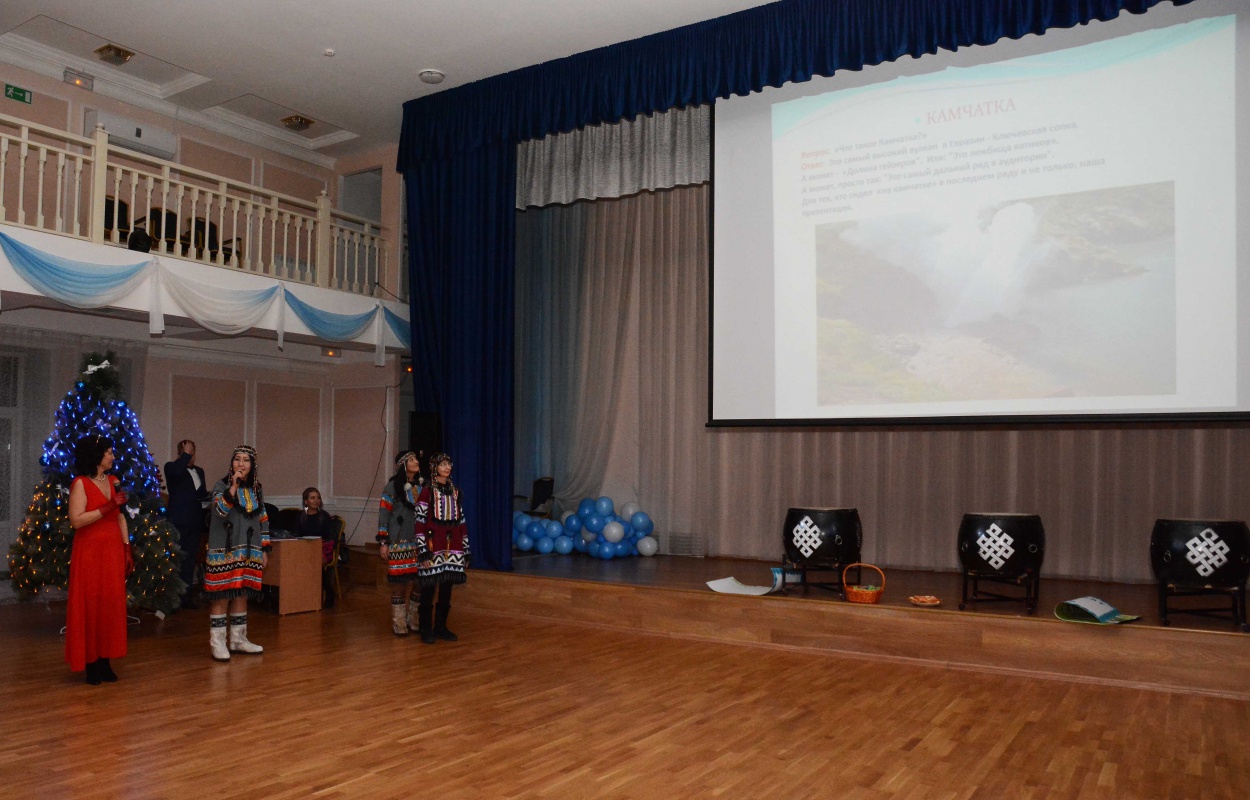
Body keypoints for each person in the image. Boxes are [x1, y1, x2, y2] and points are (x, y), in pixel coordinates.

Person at [65, 434, 133, 685]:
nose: (113, 456)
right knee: (91, 605)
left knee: (109, 605)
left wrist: (126, 548)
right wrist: (107, 506)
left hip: (112, 550)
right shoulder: (80, 484)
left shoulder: (113, 481)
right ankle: (91, 663)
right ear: (96, 456)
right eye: (109, 452)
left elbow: (120, 517)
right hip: (90, 552)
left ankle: (105, 659)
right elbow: (76, 520)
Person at [204, 445, 269, 662]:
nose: (241, 464)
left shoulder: (257, 489)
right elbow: (219, 511)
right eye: (237, 459)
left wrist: (265, 548)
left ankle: (238, 639)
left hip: (249, 550)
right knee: (222, 593)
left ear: (252, 465)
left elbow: (263, 519)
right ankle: (217, 642)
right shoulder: (221, 485)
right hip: (224, 550)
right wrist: (233, 488)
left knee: (242, 592)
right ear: (231, 463)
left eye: (246, 460)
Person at [412, 452, 469, 644]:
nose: (447, 467)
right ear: (434, 468)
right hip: (432, 546)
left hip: (452, 547)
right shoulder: (427, 492)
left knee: (446, 589)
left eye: (449, 464)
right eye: (443, 464)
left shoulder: (455, 492)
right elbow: (419, 522)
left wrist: (465, 549)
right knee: (428, 588)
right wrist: (423, 551)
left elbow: (462, 522)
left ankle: (441, 627)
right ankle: (425, 628)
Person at [377, 452, 422, 635]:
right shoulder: (392, 486)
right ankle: (399, 623)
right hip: (398, 542)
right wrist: (383, 541)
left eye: (416, 459)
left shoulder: (421, 486)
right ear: (403, 465)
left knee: (420, 581)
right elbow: (384, 514)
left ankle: (414, 619)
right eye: (412, 460)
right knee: (399, 583)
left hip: (418, 542)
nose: (416, 462)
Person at [163, 439, 209, 609]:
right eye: (187, 453)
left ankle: (186, 598)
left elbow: (201, 493)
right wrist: (185, 456)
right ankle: (173, 600)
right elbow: (176, 473)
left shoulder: (199, 471)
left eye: (192, 452)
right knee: (177, 560)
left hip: (195, 521)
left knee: (190, 559)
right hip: (179, 521)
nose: (191, 456)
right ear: (179, 454)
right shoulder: (171, 467)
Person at [296, 486, 339, 608]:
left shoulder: (324, 516)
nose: (316, 501)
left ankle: (328, 592)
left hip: (323, 548)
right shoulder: (300, 516)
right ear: (306, 501)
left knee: (315, 562)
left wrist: (319, 548)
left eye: (318, 498)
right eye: (312, 498)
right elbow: (296, 534)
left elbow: (330, 537)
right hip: (304, 548)